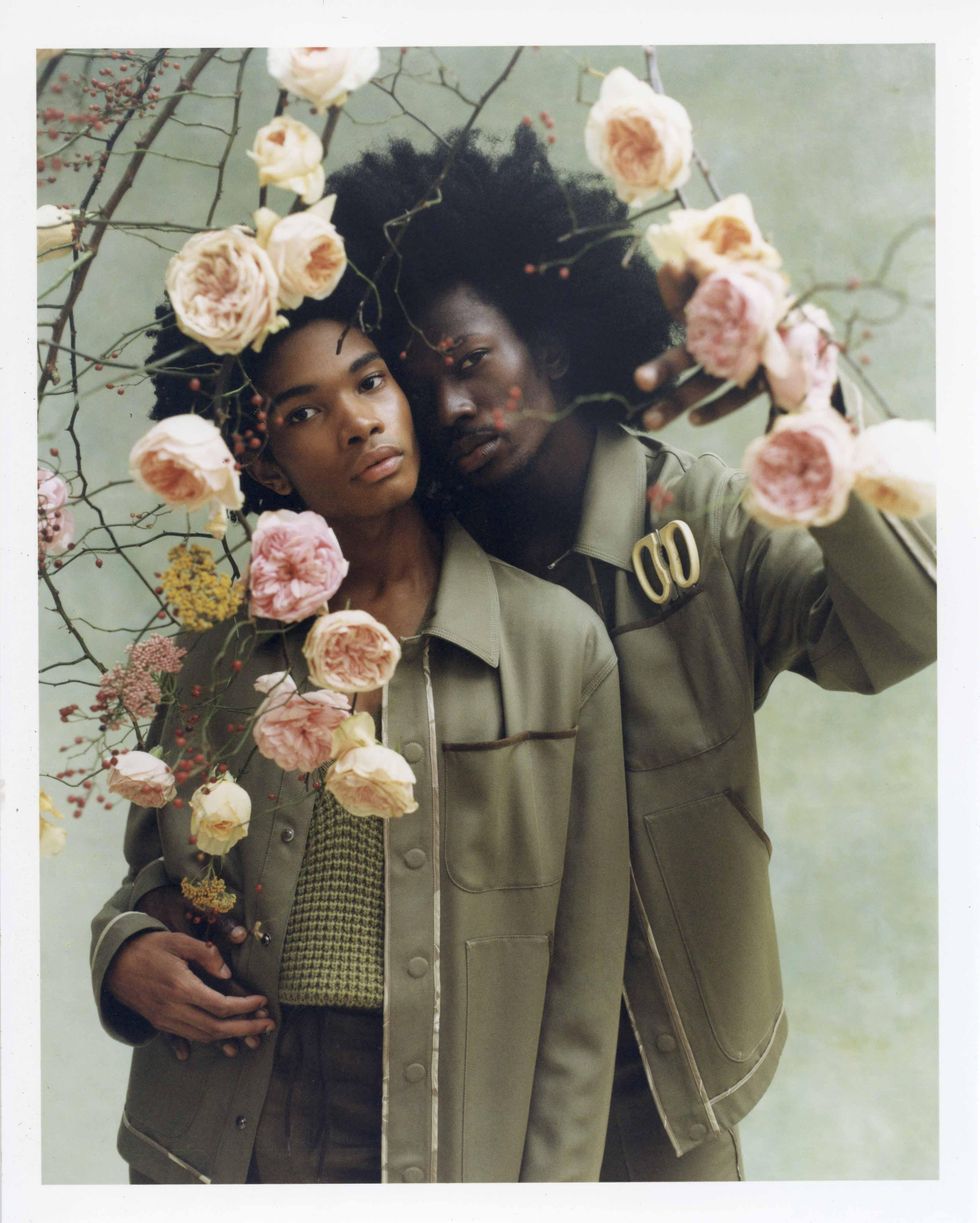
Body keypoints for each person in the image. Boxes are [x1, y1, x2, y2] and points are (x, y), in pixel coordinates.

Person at [325, 126, 939, 1181]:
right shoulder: (404, 581)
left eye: (472, 362)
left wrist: (811, 422)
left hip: (672, 1061)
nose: (452, 407)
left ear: (549, 349)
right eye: (421, 388)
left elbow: (911, 624)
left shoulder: (699, 522)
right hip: (471, 1076)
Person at [89, 274, 631, 1184]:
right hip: (223, 1115)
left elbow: (584, 978)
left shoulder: (555, 647)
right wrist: (124, 952)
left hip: (444, 1115)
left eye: (371, 382)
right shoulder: (221, 653)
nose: (358, 423)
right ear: (263, 464)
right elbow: (153, 873)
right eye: (305, 413)